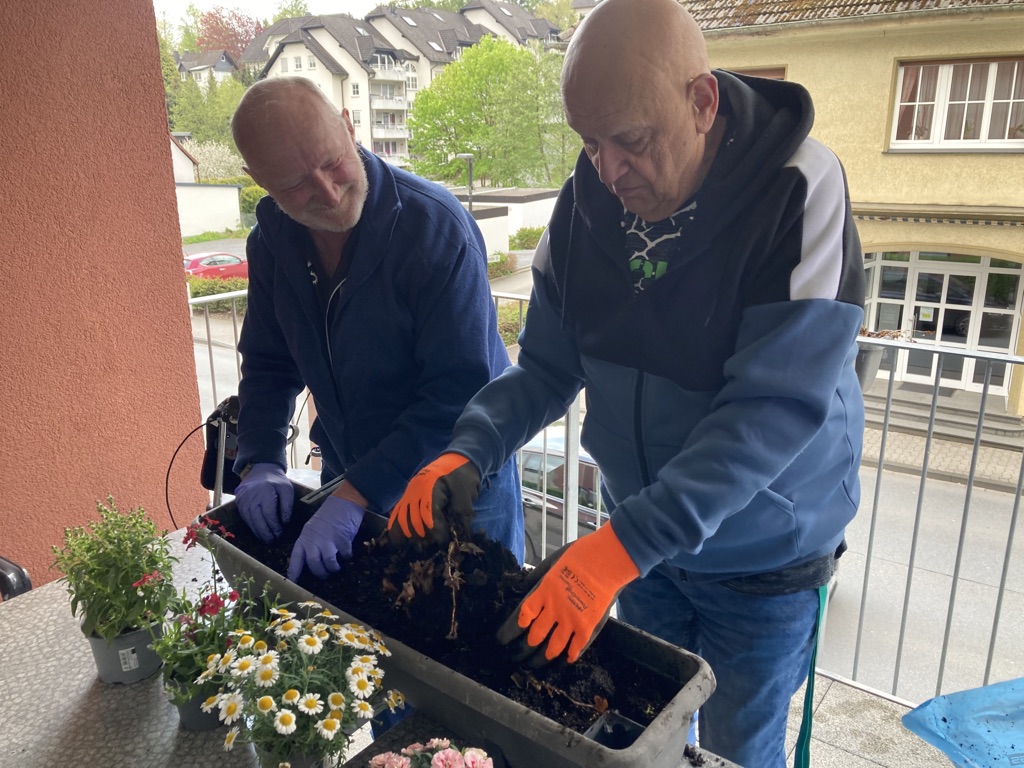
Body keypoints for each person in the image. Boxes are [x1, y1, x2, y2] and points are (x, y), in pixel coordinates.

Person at [387, 1, 865, 765]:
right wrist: (470, 449)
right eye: (589, 143)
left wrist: (621, 548)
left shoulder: (798, 188)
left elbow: (769, 410)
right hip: (647, 547)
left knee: (739, 751)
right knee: (643, 738)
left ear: (701, 102)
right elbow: (544, 367)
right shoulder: (586, 202)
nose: (607, 171)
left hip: (766, 556)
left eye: (631, 141)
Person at [228, 76, 523, 587]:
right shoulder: (270, 244)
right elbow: (270, 364)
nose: (327, 191)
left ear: (348, 125)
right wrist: (260, 458)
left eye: (331, 161)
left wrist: (356, 495)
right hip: (350, 476)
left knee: (467, 635)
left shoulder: (436, 229)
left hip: (456, 485)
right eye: (295, 184)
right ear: (258, 179)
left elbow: (458, 393)